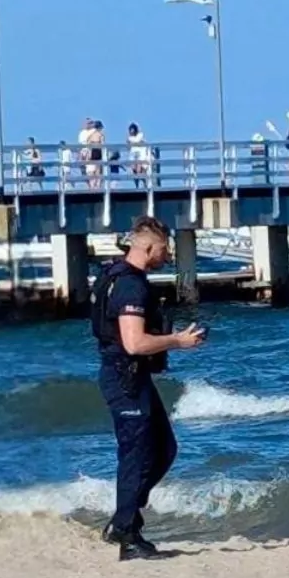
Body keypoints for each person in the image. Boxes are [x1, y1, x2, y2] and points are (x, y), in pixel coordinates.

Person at [91, 216, 206, 559]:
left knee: (164, 449)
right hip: (124, 377)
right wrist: (178, 341)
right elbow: (134, 343)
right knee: (136, 456)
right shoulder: (129, 285)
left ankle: (124, 519)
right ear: (147, 247)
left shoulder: (117, 276)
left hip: (132, 377)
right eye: (164, 249)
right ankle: (127, 536)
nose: (167, 255)